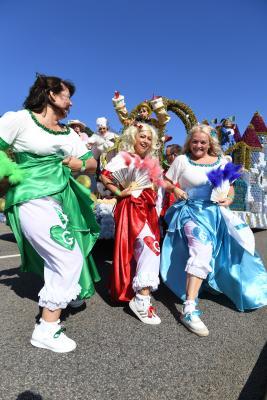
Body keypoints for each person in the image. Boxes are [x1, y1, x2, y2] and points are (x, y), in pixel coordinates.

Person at [0, 74, 100, 352]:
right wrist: (7, 175)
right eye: (66, 95)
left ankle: (62, 303)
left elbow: (91, 162)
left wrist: (75, 162)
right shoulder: (19, 120)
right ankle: (47, 328)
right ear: (50, 95)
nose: (70, 102)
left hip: (59, 200)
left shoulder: (68, 133)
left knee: (70, 253)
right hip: (29, 198)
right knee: (67, 257)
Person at [160, 124, 267, 337]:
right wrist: (176, 188)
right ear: (189, 142)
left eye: (203, 142)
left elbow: (231, 186)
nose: (198, 145)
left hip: (215, 215)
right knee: (201, 250)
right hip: (190, 212)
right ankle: (189, 308)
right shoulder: (181, 161)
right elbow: (164, 181)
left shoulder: (222, 162)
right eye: (194, 141)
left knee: (229, 251)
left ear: (210, 144)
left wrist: (228, 198)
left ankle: (208, 285)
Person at [101, 122, 162, 325]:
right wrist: (119, 192)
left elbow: (157, 186)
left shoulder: (151, 161)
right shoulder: (123, 157)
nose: (145, 140)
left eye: (148, 138)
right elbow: (105, 176)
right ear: (133, 138)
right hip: (131, 207)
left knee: (147, 247)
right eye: (141, 136)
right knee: (149, 247)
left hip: (148, 207)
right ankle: (142, 299)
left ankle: (136, 293)